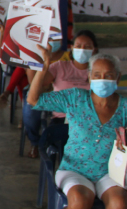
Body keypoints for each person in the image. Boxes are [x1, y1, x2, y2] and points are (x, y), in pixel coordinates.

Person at [28, 51, 127, 209]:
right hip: (75, 169)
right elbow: (34, 100)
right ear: (89, 77)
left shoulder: (126, 106)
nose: (103, 79)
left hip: (111, 172)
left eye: (108, 75)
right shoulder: (75, 97)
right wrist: (43, 68)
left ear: (118, 77)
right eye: (97, 75)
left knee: (119, 203)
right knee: (78, 198)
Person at [22, 31, 97, 159]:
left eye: (87, 47)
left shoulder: (97, 71)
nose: (82, 50)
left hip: (89, 119)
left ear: (94, 50)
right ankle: (35, 143)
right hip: (62, 119)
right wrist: (45, 63)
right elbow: (35, 89)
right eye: (78, 46)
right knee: (30, 107)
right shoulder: (60, 66)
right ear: (72, 48)